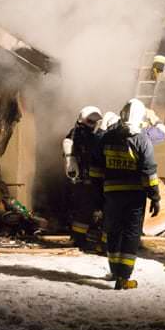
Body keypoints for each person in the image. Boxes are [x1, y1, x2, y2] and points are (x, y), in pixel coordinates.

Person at [90, 98, 160, 289]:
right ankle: (124, 277)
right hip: (134, 196)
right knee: (131, 233)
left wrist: (97, 194)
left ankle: (114, 271)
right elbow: (149, 172)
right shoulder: (142, 140)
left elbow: (96, 168)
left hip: (112, 194)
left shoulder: (107, 137)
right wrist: (155, 197)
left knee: (113, 231)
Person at [62, 106, 104, 253]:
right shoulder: (79, 134)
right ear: (83, 120)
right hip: (86, 178)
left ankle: (80, 237)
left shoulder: (83, 133)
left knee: (86, 209)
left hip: (91, 177)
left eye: (96, 121)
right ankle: (79, 239)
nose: (94, 124)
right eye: (91, 121)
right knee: (85, 209)